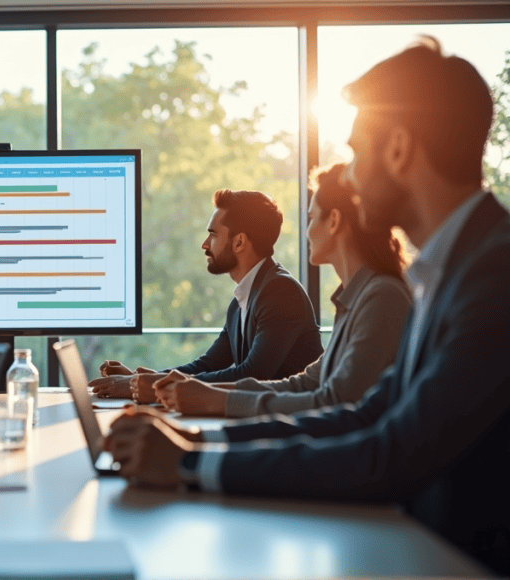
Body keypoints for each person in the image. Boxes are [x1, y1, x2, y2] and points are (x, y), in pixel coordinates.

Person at [104, 38, 510, 574]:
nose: (353, 174)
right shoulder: (444, 272)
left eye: (357, 149)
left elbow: (393, 452)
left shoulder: (491, 275)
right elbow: (364, 414)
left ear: (398, 149)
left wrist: (189, 462)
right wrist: (199, 440)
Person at [150, 163, 411, 417]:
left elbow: (333, 401)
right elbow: (305, 383)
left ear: (333, 221)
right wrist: (198, 392)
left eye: (310, 218)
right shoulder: (357, 298)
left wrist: (213, 398)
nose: (306, 231)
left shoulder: (381, 297)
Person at [90, 189, 323, 399]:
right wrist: (137, 381)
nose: (204, 244)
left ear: (239, 242)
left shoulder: (280, 293)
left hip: (285, 431)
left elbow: (251, 375)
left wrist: (150, 386)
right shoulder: (243, 298)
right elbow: (209, 365)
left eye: (213, 234)